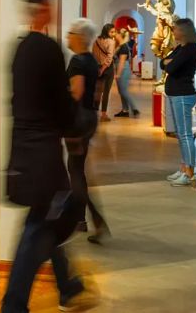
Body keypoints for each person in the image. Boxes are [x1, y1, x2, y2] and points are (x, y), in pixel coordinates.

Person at [3, 0, 97, 312]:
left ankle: (68, 286)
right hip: (43, 155)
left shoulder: (20, 50)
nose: (53, 13)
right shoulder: (48, 48)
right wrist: (77, 128)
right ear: (42, 9)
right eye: (50, 6)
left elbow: (20, 103)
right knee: (39, 227)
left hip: (22, 151)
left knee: (48, 221)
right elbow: (60, 104)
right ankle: (13, 304)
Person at [65, 18, 110, 244]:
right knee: (77, 170)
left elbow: (76, 92)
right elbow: (96, 92)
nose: (67, 36)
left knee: (75, 171)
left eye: (70, 33)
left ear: (80, 37)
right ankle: (82, 219)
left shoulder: (77, 62)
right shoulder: (91, 60)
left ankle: (93, 219)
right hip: (88, 119)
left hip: (77, 122)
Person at [161, 18, 196, 186]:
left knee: (185, 135)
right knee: (180, 134)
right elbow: (163, 62)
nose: (173, 32)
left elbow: (169, 67)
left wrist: (169, 63)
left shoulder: (189, 50)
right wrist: (168, 62)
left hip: (183, 95)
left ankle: (189, 172)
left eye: (176, 29)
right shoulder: (181, 48)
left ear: (183, 31)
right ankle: (184, 167)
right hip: (177, 95)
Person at [92, 24, 116, 122]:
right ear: (106, 31)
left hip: (97, 67)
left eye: (114, 32)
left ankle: (94, 113)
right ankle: (103, 114)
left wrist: (98, 68)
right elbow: (110, 57)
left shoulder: (96, 40)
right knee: (106, 92)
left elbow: (93, 53)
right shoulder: (111, 42)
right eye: (111, 32)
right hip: (108, 69)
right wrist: (103, 68)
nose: (113, 34)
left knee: (98, 91)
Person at [113, 28, 139, 117]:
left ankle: (134, 108)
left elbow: (122, 62)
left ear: (120, 35)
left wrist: (118, 74)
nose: (114, 35)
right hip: (120, 69)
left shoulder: (123, 46)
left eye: (115, 33)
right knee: (121, 91)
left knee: (123, 91)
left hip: (123, 69)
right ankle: (125, 110)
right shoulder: (120, 46)